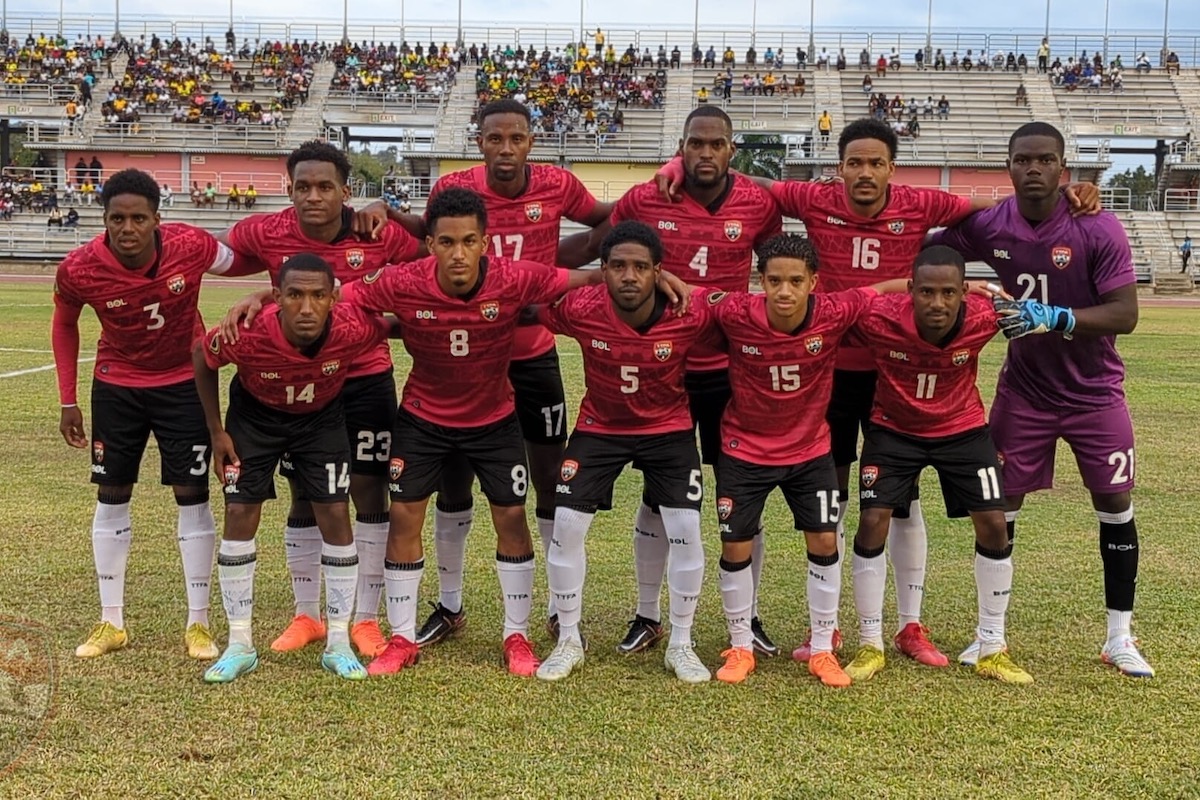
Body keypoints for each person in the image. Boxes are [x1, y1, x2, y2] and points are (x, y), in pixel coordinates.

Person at [656, 116, 1098, 663]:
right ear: (838, 168)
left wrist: (1069, 192)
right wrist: (680, 164)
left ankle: (908, 626)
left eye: (876, 163)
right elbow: (756, 186)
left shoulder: (922, 203)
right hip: (829, 368)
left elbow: (997, 210)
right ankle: (835, 627)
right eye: (854, 163)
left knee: (901, 499)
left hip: (898, 367)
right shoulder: (814, 199)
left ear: (892, 166)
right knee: (835, 497)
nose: (864, 173)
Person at [363, 99, 618, 650]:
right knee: (453, 481)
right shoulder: (454, 189)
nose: (506, 148)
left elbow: (605, 228)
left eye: (517, 138)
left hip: (532, 353)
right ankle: (449, 605)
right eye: (494, 138)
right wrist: (387, 212)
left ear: (531, 141)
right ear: (479, 141)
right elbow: (427, 238)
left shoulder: (557, 184)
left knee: (547, 478)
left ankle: (551, 606)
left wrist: (562, 265)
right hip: (464, 361)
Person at [338, 187, 597, 677]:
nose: (458, 253)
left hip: (495, 419)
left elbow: (584, 277)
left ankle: (515, 635)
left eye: (469, 241)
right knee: (405, 516)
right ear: (430, 243)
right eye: (447, 242)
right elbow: (337, 294)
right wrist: (265, 294)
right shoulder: (402, 280)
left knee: (511, 518)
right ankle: (401, 637)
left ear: (485, 242)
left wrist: (660, 276)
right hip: (422, 417)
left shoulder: (514, 277)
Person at [933, 121, 1153, 678]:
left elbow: (1125, 314)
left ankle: (1119, 637)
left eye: (1045, 160)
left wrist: (1058, 318)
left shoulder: (1096, 225)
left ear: (1063, 166)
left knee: (1114, 507)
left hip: (1094, 393)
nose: (1034, 169)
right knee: (999, 512)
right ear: (1008, 166)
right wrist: (973, 287)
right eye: (1023, 160)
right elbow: (929, 251)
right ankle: (990, 636)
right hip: (1024, 392)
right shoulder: (989, 224)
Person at [218, 140, 424, 660]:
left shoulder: (377, 232)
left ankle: (368, 619)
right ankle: (307, 613)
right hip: (298, 384)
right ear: (288, 189)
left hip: (365, 377)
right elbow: (219, 255)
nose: (314, 196)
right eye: (303, 187)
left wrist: (391, 213)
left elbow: (430, 268)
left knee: (370, 492)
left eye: (325, 187)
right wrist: (260, 296)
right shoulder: (266, 230)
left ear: (345, 191)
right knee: (307, 495)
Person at [602, 105, 783, 657]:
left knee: (741, 494)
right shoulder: (646, 198)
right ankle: (648, 614)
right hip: (665, 368)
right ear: (681, 148)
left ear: (732, 150)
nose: (705, 154)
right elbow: (616, 256)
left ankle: (747, 618)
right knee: (660, 497)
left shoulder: (758, 202)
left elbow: (774, 264)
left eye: (716, 144)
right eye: (694, 145)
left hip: (732, 371)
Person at [51, 169, 241, 662]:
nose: (127, 227)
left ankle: (198, 624)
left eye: (139, 218)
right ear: (105, 220)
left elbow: (240, 258)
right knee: (112, 494)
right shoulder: (79, 268)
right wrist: (67, 399)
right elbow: (65, 323)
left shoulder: (190, 245)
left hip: (184, 382)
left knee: (192, 495)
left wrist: (266, 290)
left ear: (158, 219)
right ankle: (111, 621)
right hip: (117, 384)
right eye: (117, 218)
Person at [708, 234, 911, 688]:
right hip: (745, 448)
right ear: (759, 281)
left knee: (823, 542)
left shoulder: (834, 311)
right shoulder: (736, 312)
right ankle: (740, 646)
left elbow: (879, 290)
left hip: (810, 451)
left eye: (796, 281)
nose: (784, 291)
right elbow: (697, 296)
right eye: (774, 280)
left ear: (813, 282)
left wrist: (967, 287)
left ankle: (822, 649)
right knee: (735, 546)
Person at [194, 254, 392, 683]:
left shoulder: (352, 328)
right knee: (240, 512)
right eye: (295, 295)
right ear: (277, 298)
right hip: (255, 419)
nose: (307, 307)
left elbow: (397, 325)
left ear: (334, 299)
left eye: (318, 295)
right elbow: (202, 356)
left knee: (336, 513)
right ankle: (240, 643)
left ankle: (337, 641)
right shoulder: (245, 333)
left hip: (321, 420)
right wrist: (215, 431)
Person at [843, 246, 1033, 685]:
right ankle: (870, 643)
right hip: (893, 430)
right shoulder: (880, 318)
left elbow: (1024, 311)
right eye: (926, 292)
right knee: (873, 520)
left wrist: (999, 294)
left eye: (949, 292)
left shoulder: (986, 316)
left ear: (965, 292)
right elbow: (852, 299)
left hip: (962, 429)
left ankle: (992, 645)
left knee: (993, 523)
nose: (937, 303)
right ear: (910, 290)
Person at [534, 221, 713, 684]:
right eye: (617, 267)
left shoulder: (688, 309)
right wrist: (584, 278)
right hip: (601, 426)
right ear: (603, 271)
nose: (628, 276)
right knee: (568, 523)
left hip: (668, 429)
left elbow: (743, 307)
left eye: (640, 267)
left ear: (660, 272)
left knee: (686, 527)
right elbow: (526, 291)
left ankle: (681, 643)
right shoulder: (581, 306)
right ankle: (569, 639)